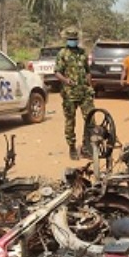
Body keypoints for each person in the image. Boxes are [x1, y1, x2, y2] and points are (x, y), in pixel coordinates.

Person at [55, 26, 94, 160]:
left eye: (75, 39)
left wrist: (90, 86)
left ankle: (86, 146)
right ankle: (72, 147)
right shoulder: (62, 54)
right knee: (70, 120)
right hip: (69, 93)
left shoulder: (82, 53)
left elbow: (87, 71)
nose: (73, 41)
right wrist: (66, 81)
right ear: (67, 39)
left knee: (90, 119)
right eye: (70, 39)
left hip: (84, 92)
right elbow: (57, 72)